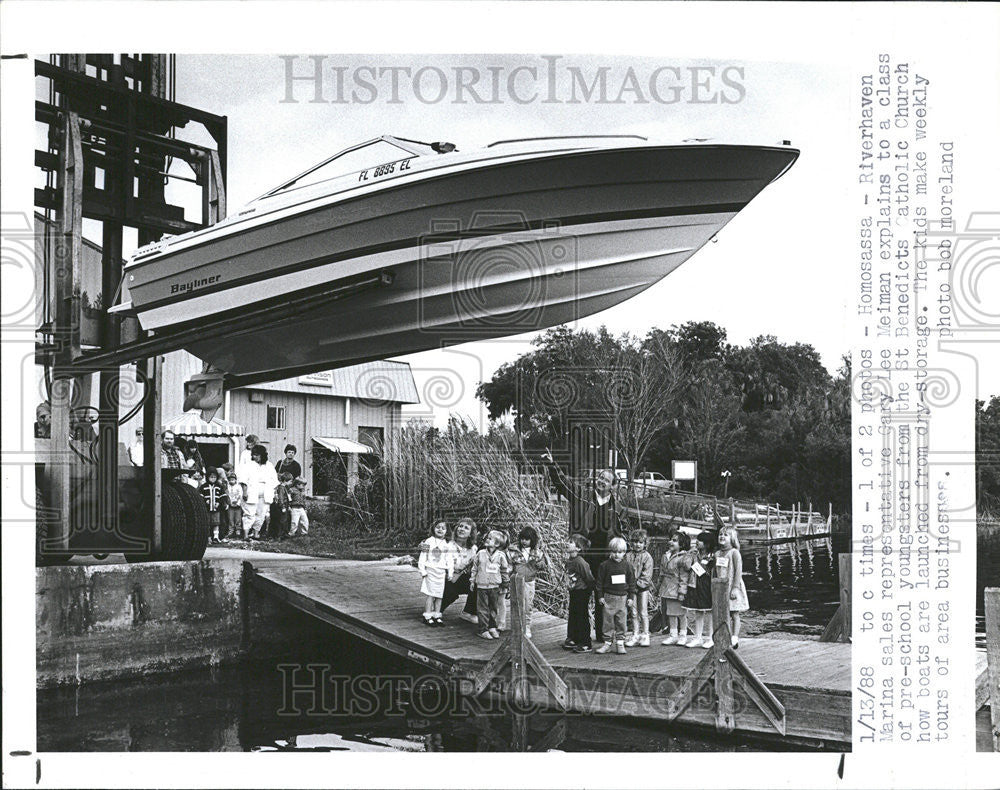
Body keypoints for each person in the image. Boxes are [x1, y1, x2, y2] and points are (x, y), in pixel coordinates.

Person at [581, 469, 626, 644]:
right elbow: (565, 486)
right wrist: (552, 465)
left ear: (612, 486)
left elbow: (623, 532)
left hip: (606, 558)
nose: (601, 481)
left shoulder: (617, 508)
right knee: (582, 595)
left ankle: (603, 635)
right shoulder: (585, 499)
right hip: (585, 555)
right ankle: (580, 636)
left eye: (606, 480)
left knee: (605, 597)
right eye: (600, 478)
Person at [595, 536, 636, 655]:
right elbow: (599, 583)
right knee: (607, 622)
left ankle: (620, 643)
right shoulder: (604, 565)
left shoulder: (628, 566)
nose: (617, 555)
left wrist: (630, 597)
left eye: (620, 552)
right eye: (614, 552)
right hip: (608, 597)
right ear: (610, 551)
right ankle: (607, 643)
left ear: (624, 552)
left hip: (622, 598)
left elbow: (631, 583)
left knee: (621, 622)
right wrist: (600, 596)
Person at [469, 530, 511, 639]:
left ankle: (492, 626)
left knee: (493, 607)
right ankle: (483, 629)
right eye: (487, 537)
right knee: (482, 608)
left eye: (490, 538)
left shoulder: (501, 556)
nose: (487, 539)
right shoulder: (480, 554)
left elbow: (504, 570)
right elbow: (474, 568)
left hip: (494, 586)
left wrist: (505, 583)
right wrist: (472, 581)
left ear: (497, 544)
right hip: (482, 586)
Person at [658, 531, 694, 645]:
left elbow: (684, 577)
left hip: (677, 589)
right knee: (670, 613)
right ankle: (673, 635)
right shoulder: (666, 555)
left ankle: (683, 635)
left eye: (674, 540)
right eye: (671, 539)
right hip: (667, 589)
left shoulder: (683, 558)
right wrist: (659, 586)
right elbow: (662, 572)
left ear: (682, 544)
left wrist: (682, 592)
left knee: (681, 614)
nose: (670, 542)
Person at [683, 531, 718, 649]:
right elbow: (687, 566)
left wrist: (697, 564)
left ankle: (710, 637)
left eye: (700, 540)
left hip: (707, 586)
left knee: (709, 612)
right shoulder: (694, 554)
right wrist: (689, 555)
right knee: (698, 611)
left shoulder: (712, 556)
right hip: (695, 585)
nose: (697, 542)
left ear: (707, 544)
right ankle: (698, 637)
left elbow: (705, 571)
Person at [716, 526, 749, 648]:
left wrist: (735, 588)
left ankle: (734, 637)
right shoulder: (717, 554)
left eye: (726, 535)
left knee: (734, 613)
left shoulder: (735, 553)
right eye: (720, 534)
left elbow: (738, 572)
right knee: (723, 614)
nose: (722, 537)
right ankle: (725, 636)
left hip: (732, 586)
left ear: (732, 538)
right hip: (721, 587)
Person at [561, 533, 595, 653]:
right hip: (574, 591)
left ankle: (586, 642)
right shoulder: (569, 560)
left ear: (578, 548)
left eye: (570, 542)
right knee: (573, 615)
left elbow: (589, 578)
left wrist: (589, 591)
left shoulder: (580, 562)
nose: (567, 543)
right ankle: (573, 638)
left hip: (582, 592)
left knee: (582, 616)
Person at [508, 525, 543, 638]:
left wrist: (539, 564)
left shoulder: (537, 553)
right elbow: (509, 565)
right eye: (522, 538)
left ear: (532, 540)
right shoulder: (514, 551)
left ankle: (526, 626)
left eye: (527, 539)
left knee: (528, 604)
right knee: (516, 603)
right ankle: (516, 626)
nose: (524, 541)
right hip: (516, 581)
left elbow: (543, 565)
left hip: (529, 581)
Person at [417, 520, 454, 626]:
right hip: (430, 571)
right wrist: (422, 570)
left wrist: (450, 572)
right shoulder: (428, 541)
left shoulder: (447, 544)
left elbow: (449, 559)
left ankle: (437, 615)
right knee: (430, 594)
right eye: (438, 527)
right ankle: (427, 616)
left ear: (447, 531)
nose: (440, 530)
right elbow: (423, 556)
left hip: (441, 573)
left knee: (439, 595)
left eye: (443, 528)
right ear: (433, 528)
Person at [441, 518, 478, 622]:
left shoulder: (473, 549)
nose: (462, 529)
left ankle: (468, 612)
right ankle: (436, 609)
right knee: (450, 593)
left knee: (477, 582)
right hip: (445, 577)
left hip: (459, 578)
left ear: (471, 533)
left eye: (466, 528)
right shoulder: (448, 545)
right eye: (460, 526)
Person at [239, 444, 278, 540]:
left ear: (262, 455)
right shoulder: (248, 465)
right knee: (249, 513)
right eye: (253, 455)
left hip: (265, 492)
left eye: (256, 455)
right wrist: (245, 492)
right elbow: (243, 480)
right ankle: (246, 535)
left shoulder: (269, 465)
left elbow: (274, 480)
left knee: (261, 514)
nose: (254, 457)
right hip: (251, 492)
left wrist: (275, 493)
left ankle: (256, 533)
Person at [625, 528, 654, 647]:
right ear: (631, 543)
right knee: (633, 612)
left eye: (641, 542)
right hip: (631, 589)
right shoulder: (627, 556)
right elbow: (625, 571)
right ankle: (635, 634)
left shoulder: (647, 557)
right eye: (635, 542)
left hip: (642, 589)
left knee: (643, 612)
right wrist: (629, 586)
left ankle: (645, 634)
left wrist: (638, 584)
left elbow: (647, 575)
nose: (638, 544)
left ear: (645, 543)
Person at [200, 468, 228, 544]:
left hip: (216, 509)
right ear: (207, 477)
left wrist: (219, 502)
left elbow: (223, 496)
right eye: (211, 477)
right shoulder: (203, 486)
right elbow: (200, 496)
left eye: (214, 477)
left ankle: (216, 537)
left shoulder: (219, 486)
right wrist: (205, 501)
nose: (213, 479)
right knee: (207, 523)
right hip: (207, 509)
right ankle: (208, 538)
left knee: (216, 523)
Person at [268, 472, 293, 540]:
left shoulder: (284, 487)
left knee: (285, 520)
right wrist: (283, 507)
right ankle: (279, 535)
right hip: (282, 507)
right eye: (290, 481)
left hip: (285, 506)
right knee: (282, 521)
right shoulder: (281, 488)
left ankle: (283, 534)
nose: (291, 482)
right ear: (285, 480)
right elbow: (281, 498)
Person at [224, 471, 245, 540]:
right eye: (230, 480)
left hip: (237, 506)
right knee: (230, 519)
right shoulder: (228, 487)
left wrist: (238, 502)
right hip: (230, 506)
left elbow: (241, 495)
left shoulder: (238, 487)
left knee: (238, 518)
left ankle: (238, 531)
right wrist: (229, 502)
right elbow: (227, 495)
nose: (231, 481)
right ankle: (231, 531)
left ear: (235, 480)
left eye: (233, 480)